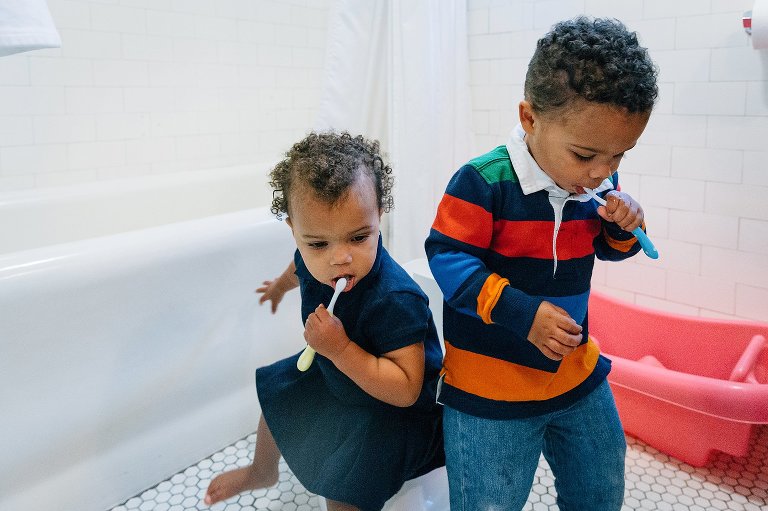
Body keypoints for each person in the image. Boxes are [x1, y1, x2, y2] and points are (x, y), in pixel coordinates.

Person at [424, 16, 658, 511]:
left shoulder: (592, 185)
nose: (601, 173)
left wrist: (623, 225)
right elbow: (446, 257)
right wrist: (519, 312)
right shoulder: (482, 183)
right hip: (489, 386)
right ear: (529, 119)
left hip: (575, 370)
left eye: (619, 156)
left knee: (599, 484)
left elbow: (609, 250)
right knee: (489, 502)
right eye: (585, 154)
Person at [204, 131, 444, 511]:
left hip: (390, 415)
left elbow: (406, 389)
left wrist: (341, 349)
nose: (339, 258)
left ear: (379, 216)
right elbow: (298, 268)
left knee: (343, 489)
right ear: (295, 232)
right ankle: (261, 471)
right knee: (281, 397)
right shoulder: (310, 258)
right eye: (318, 244)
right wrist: (281, 287)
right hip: (340, 378)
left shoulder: (395, 299)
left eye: (359, 237)